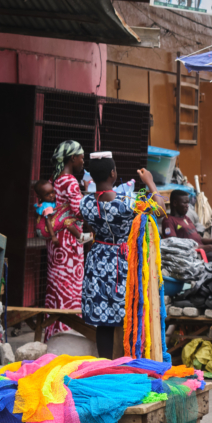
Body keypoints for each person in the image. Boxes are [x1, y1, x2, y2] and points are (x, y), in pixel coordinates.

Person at [80, 156, 165, 359]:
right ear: (113, 174)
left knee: (104, 321)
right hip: (121, 262)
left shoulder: (85, 204)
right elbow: (160, 209)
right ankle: (127, 362)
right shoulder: (127, 204)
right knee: (129, 314)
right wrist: (150, 183)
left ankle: (105, 365)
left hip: (98, 259)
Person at [43, 141, 86, 341]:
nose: (83, 161)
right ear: (72, 158)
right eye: (81, 157)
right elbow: (80, 211)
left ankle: (51, 331)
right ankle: (68, 335)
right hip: (69, 242)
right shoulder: (70, 181)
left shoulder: (55, 178)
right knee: (71, 286)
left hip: (55, 240)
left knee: (56, 285)